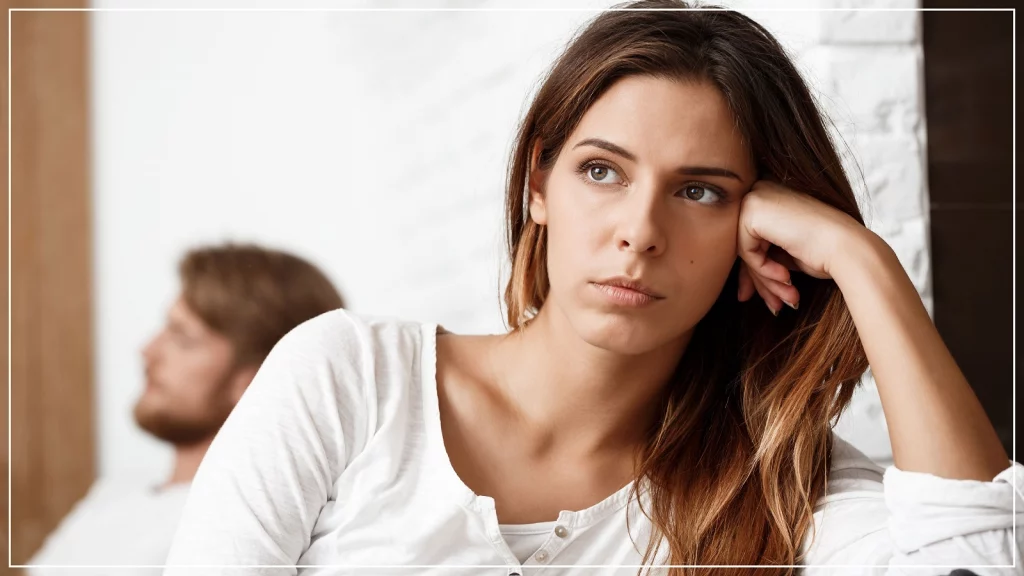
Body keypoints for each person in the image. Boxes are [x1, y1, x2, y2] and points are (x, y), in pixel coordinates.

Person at [163, 3, 1022, 575]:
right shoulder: (350, 379)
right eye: (603, 171)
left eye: (701, 191)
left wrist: (862, 259)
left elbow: (979, 563)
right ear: (539, 184)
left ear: (756, 232)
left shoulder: (776, 479)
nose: (640, 231)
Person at [29, 243, 344, 573]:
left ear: (259, 379)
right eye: (166, 327)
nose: (148, 351)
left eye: (183, 339)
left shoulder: (243, 527)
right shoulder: (116, 491)